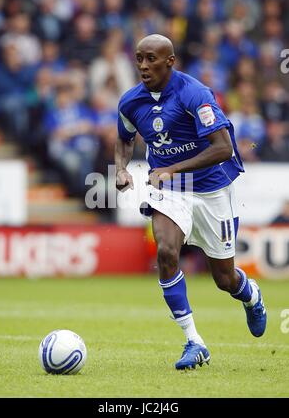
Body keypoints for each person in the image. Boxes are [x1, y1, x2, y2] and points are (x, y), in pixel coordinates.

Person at [114, 34, 267, 370]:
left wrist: (173, 167)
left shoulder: (194, 94)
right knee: (166, 252)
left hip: (212, 187)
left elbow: (223, 147)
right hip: (170, 187)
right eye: (139, 58)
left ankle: (251, 296)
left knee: (224, 280)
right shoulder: (130, 102)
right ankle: (194, 342)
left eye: (151, 58)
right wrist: (122, 168)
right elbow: (124, 140)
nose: (142, 65)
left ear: (170, 61)